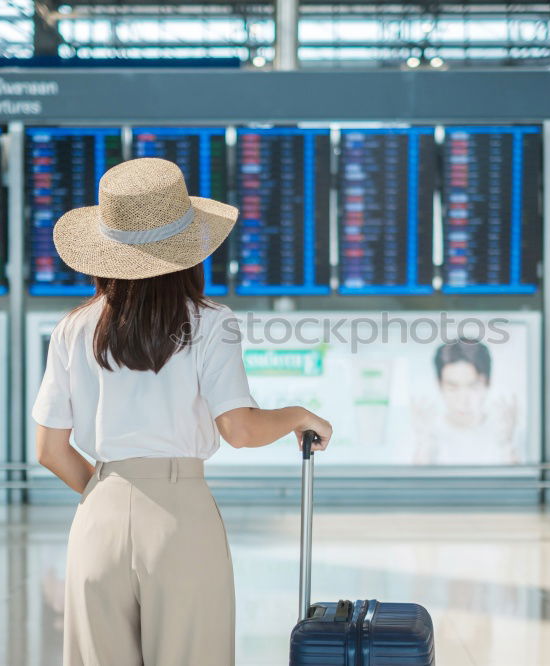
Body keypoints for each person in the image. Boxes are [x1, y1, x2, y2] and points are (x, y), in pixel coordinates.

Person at [31, 157, 332, 666]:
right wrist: (299, 415)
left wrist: (111, 492)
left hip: (97, 518)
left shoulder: (73, 328)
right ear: (190, 247)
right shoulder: (210, 323)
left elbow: (48, 450)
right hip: (180, 518)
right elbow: (239, 428)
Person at [411, 338, 519, 464]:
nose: (463, 400)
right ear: (439, 385)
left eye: (473, 387)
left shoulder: (506, 432)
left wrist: (507, 444)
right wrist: (424, 444)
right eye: (452, 388)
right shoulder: (424, 432)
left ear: (488, 384)